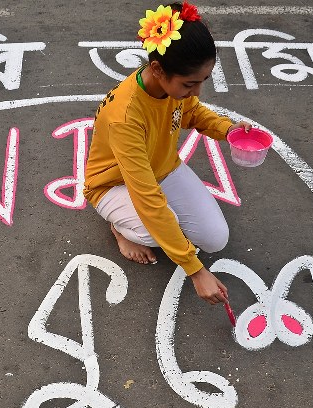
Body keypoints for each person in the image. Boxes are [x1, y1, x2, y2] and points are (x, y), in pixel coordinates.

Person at [82, 1, 251, 305]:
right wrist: (195, 270)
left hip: (164, 168)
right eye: (190, 84)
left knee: (215, 239)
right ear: (158, 69)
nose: (196, 92)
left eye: (202, 81)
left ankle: (153, 226)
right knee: (155, 231)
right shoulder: (126, 117)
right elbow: (147, 196)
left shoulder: (171, 88)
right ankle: (119, 228)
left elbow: (193, 113)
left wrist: (228, 130)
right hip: (113, 184)